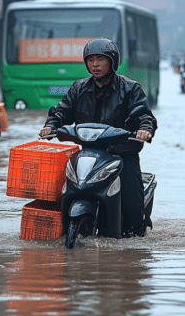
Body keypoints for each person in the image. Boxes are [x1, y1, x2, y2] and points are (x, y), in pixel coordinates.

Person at [39, 38, 157, 237]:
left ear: (112, 61)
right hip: (89, 155)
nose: (95, 65)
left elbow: (144, 116)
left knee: (132, 214)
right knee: (66, 192)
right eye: (90, 60)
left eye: (100, 59)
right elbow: (62, 111)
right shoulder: (78, 88)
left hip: (122, 157)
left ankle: (135, 234)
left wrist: (144, 129)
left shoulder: (130, 88)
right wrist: (51, 125)